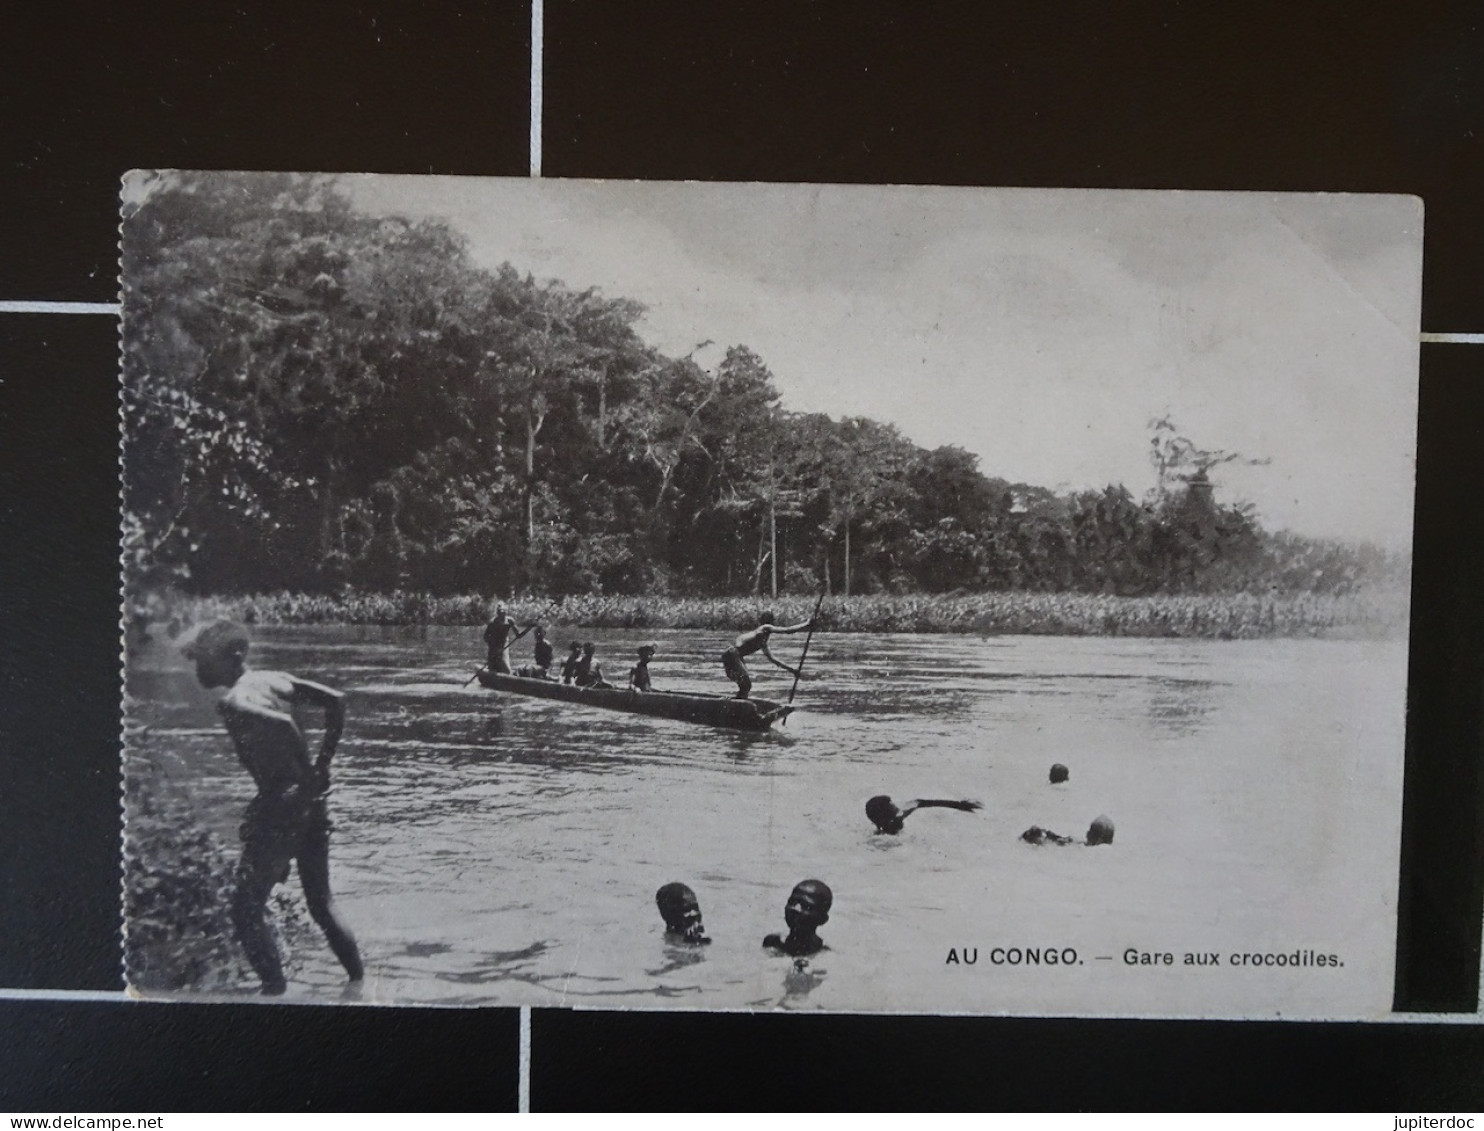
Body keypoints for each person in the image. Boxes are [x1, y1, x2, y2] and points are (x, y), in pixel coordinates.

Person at [181, 620, 364, 996]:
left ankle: (273, 995)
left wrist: (304, 773)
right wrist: (321, 767)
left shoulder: (233, 702)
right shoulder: (273, 679)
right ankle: (360, 987)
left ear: (233, 656)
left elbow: (281, 725)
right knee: (322, 904)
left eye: (202, 659)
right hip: (311, 804)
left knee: (245, 910)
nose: (197, 667)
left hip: (281, 805)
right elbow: (336, 701)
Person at [720, 611, 814, 700]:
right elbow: (787, 630)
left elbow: (773, 660)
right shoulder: (765, 627)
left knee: (745, 685)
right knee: (746, 684)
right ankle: (739, 702)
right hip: (732, 654)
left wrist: (792, 670)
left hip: (733, 655)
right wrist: (806, 624)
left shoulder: (762, 642)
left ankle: (739, 701)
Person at [763, 879, 832, 957]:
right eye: (792, 902)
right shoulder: (773, 943)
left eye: (806, 906)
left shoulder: (823, 956)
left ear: (822, 919)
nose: (795, 909)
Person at [866, 794, 983, 834]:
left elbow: (919, 802)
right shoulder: (895, 820)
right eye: (892, 806)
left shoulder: (897, 817)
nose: (897, 807)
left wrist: (959, 805)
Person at [483, 603, 524, 675]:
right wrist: (495, 648)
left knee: (506, 671)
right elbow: (485, 637)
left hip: (504, 645)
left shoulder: (510, 621)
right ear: (497, 613)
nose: (502, 615)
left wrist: (530, 626)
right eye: (500, 613)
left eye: (503, 612)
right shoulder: (493, 623)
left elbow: (519, 635)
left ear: (506, 612)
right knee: (493, 668)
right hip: (494, 646)